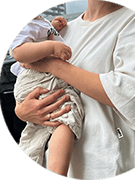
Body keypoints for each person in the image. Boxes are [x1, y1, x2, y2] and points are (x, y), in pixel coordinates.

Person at [15, 1, 135, 179]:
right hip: (62, 164)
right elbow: (33, 77)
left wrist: (53, 65)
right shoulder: (64, 30)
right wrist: (21, 111)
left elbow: (132, 93)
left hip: (108, 165)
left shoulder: (134, 22)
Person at [10, 15, 84, 177]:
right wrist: (51, 47)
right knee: (66, 117)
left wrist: (53, 27)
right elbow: (19, 52)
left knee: (37, 130)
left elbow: (37, 37)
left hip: (34, 80)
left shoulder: (37, 20)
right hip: (39, 77)